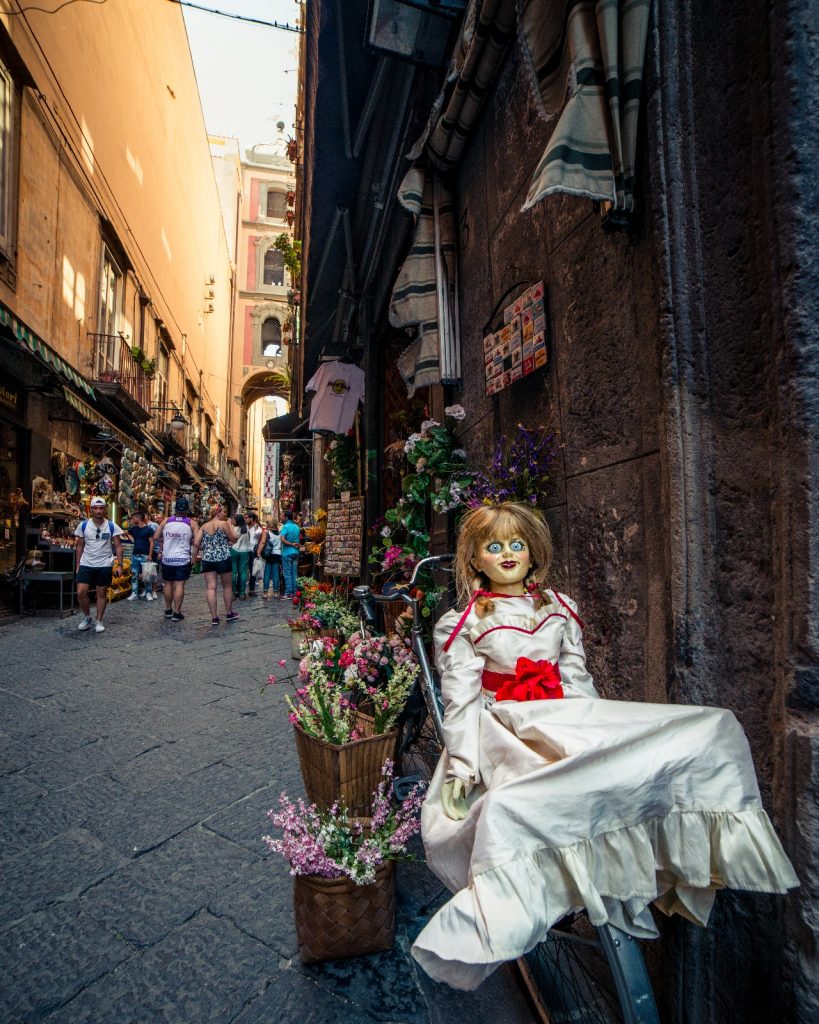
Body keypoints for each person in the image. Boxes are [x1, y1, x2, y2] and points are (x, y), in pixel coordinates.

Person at [411, 502, 799, 991]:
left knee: (707, 726)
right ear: (476, 560)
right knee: (515, 804)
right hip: (505, 728)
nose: (508, 554)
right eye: (494, 546)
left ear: (534, 554)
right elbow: (461, 699)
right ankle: (522, 900)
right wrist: (463, 765)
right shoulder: (463, 621)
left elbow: (578, 679)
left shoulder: (559, 607)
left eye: (517, 544)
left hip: (565, 717)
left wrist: (601, 732)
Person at [74, 495, 124, 633]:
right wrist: (78, 564)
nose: (98, 511)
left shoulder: (112, 526)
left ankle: (99, 620)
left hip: (104, 563)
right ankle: (87, 617)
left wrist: (119, 564)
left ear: (105, 510)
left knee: (101, 592)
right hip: (87, 563)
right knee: (81, 592)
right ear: (91, 510)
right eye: (95, 508)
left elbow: (118, 546)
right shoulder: (83, 525)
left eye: (101, 508)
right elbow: (79, 546)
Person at [150, 496, 197, 622]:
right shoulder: (191, 523)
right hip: (183, 559)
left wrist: (166, 539)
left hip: (167, 558)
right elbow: (197, 542)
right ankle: (177, 613)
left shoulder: (166, 521)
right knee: (180, 584)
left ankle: (168, 609)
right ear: (187, 509)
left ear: (175, 509)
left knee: (168, 583)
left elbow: (155, 537)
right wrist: (193, 555)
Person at [192, 504, 239, 624]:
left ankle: (214, 617)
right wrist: (230, 525)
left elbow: (196, 543)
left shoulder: (204, 526)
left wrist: (196, 556)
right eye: (223, 512)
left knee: (211, 587)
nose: (225, 514)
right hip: (223, 558)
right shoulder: (223, 524)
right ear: (218, 512)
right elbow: (234, 538)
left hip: (208, 559)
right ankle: (229, 612)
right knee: (227, 587)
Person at [123, 509, 156, 602]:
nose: (132, 520)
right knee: (134, 575)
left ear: (138, 518)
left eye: (133, 518)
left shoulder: (149, 529)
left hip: (145, 555)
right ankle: (134, 593)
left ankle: (148, 592)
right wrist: (129, 537)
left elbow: (151, 543)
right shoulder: (134, 529)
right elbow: (125, 533)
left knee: (147, 575)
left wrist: (150, 555)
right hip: (135, 554)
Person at [279, 509, 301, 598]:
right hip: (296, 552)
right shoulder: (296, 527)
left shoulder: (285, 527)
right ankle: (294, 592)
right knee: (294, 573)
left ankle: (288, 593)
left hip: (287, 552)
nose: (281, 518)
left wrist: (291, 544)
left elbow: (282, 539)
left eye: (282, 516)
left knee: (287, 573)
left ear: (286, 517)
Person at [230, 513, 252, 599]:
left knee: (233, 572)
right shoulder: (246, 529)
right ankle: (242, 592)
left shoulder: (234, 529)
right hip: (245, 551)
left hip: (234, 550)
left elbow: (232, 538)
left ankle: (233, 592)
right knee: (243, 572)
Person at [261, 519, 282, 598]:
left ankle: (265, 593)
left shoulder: (267, 532)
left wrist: (259, 552)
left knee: (267, 573)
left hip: (270, 554)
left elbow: (263, 543)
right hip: (277, 554)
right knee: (276, 573)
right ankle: (276, 592)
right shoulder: (279, 533)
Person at [245, 510, 263, 597]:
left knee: (253, 572)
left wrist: (256, 526)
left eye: (247, 518)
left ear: (252, 519)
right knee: (243, 571)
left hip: (253, 552)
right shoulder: (244, 528)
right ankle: (239, 590)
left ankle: (251, 590)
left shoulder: (258, 529)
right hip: (244, 551)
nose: (245, 519)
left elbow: (258, 534)